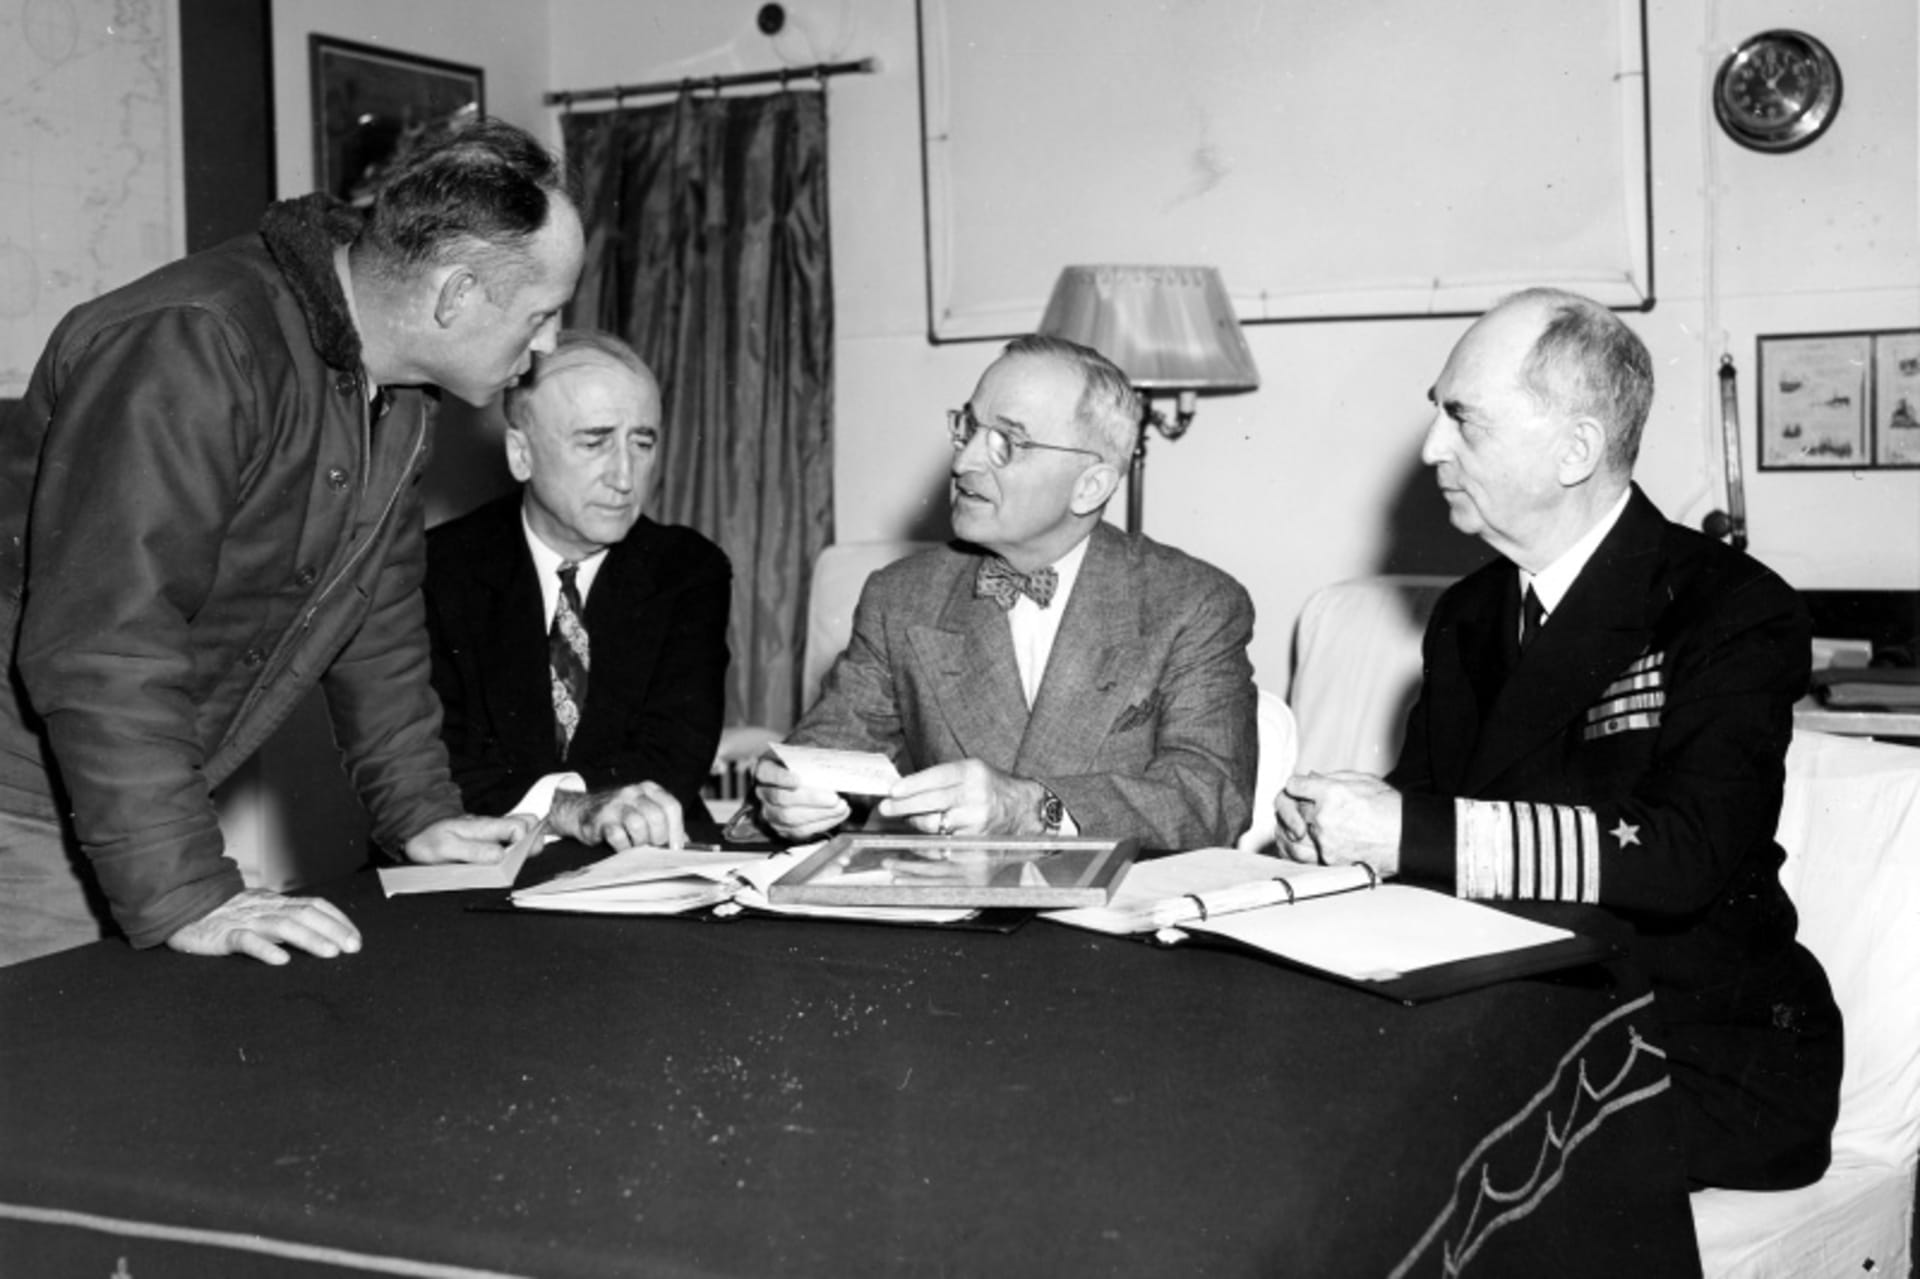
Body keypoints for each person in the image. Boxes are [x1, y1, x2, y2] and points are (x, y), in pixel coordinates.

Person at [1276, 288, 1842, 1191]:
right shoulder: (1469, 615)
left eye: (1463, 419)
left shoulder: (1729, 607)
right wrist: (1340, 830)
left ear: (1574, 449)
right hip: (1508, 1017)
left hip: (1690, 1045)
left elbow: (1682, 853)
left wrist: (1403, 832)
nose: (1430, 449)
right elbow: (1428, 800)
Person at [0, 118, 586, 968]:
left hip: (113, 798)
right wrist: (189, 892)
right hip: (25, 805)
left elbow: (375, 616)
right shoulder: (194, 343)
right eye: (541, 314)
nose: (548, 346)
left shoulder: (397, 390)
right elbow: (106, 644)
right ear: (455, 296)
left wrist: (418, 811)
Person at [753, 334, 1257, 850]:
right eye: (969, 428)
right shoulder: (902, 597)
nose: (964, 462)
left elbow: (1209, 797)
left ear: (1090, 486)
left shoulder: (1192, 603)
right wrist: (790, 797)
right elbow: (825, 750)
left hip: (1118, 911)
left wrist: (1029, 808)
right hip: (952, 910)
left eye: (1007, 443)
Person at [425, 330, 731, 849]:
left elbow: (673, 755)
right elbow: (438, 768)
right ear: (521, 454)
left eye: (643, 442)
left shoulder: (688, 569)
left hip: (644, 860)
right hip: (476, 861)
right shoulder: (436, 569)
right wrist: (571, 810)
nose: (625, 476)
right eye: (594, 441)